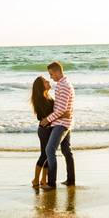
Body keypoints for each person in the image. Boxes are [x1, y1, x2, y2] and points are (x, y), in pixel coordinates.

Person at [39, 61, 75, 189]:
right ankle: (71, 180)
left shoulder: (63, 86)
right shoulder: (64, 84)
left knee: (49, 150)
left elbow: (61, 110)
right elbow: (63, 109)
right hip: (64, 122)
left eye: (51, 74)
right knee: (66, 151)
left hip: (61, 124)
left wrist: (47, 120)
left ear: (57, 72)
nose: (51, 77)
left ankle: (51, 183)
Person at [30, 76, 54, 187]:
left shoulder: (47, 97)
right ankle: (35, 179)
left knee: (48, 155)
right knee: (44, 155)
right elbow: (46, 116)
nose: (48, 81)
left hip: (48, 129)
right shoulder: (41, 99)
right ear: (41, 86)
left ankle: (43, 180)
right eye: (45, 81)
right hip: (44, 130)